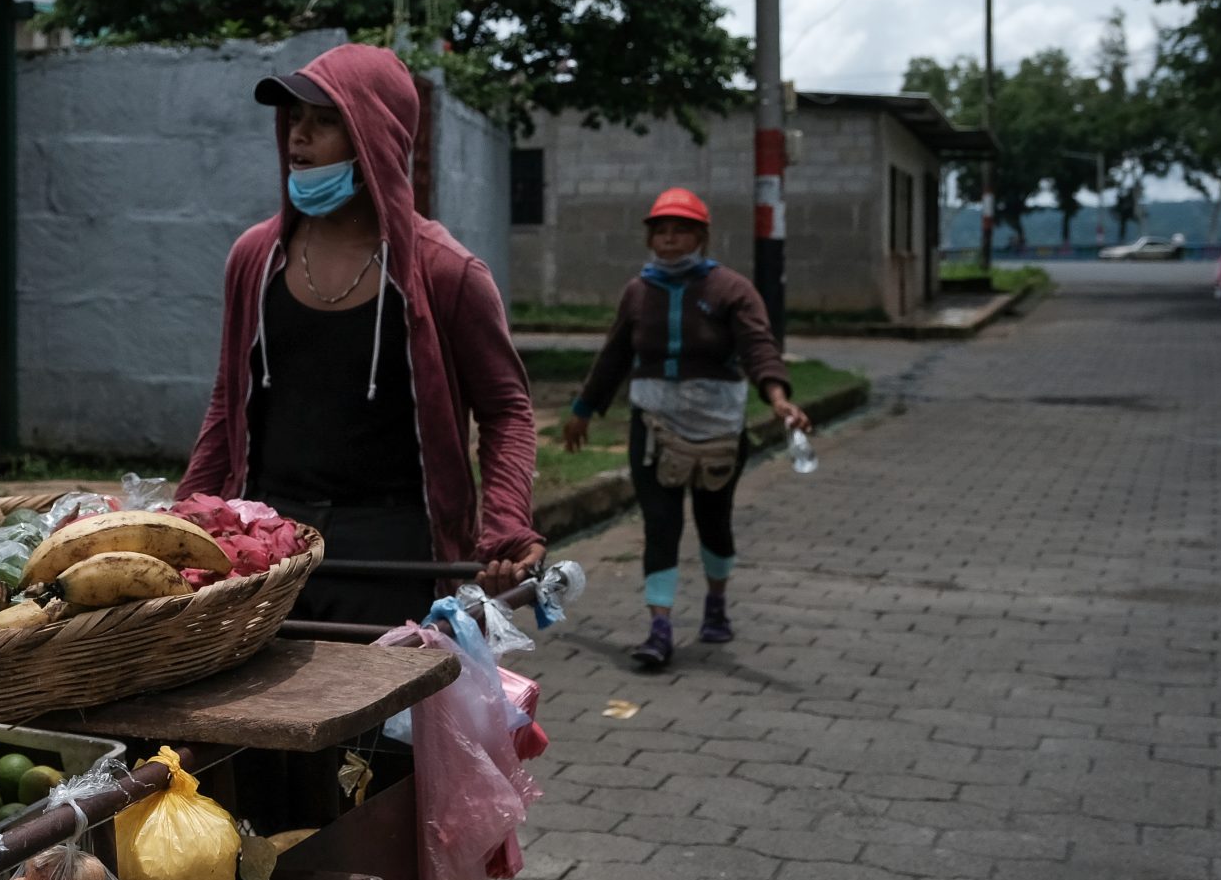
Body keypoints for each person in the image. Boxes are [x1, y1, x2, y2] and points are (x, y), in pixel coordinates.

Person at [180, 43, 544, 626]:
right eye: (294, 119)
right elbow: (228, 404)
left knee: (376, 716)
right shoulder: (255, 258)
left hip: (395, 550)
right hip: (266, 544)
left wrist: (504, 526)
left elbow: (506, 410)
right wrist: (183, 519)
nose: (299, 137)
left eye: (325, 122)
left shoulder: (445, 272)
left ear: (375, 138)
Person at [560, 187, 810, 669]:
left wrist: (779, 398)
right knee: (661, 523)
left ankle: (716, 606)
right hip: (654, 425)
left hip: (718, 428)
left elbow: (759, 347)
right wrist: (583, 409)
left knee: (715, 522)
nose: (670, 239)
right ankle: (659, 628)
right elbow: (614, 355)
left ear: (702, 237)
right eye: (661, 231)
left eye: (681, 230)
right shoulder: (639, 291)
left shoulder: (731, 289)